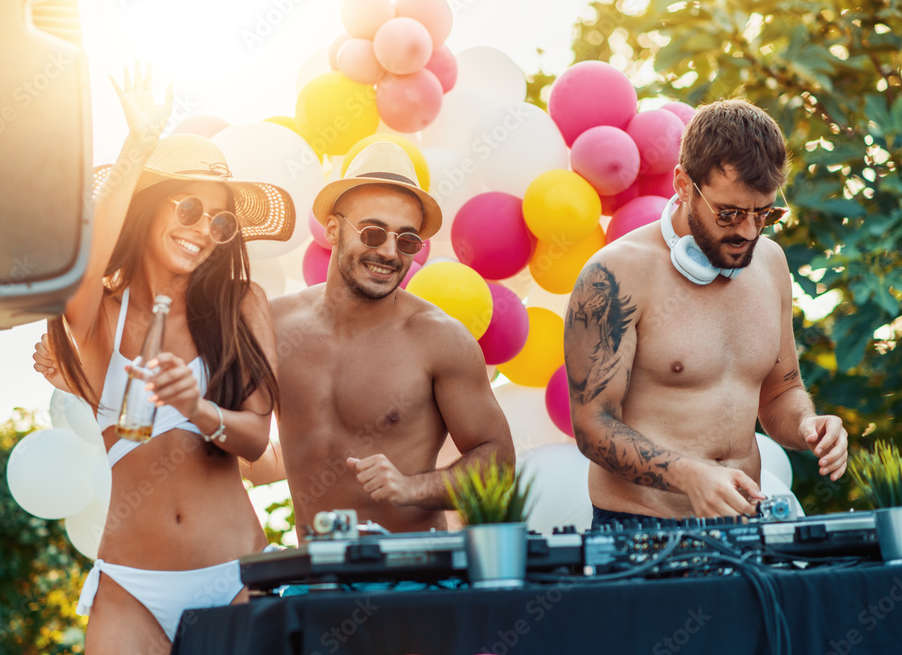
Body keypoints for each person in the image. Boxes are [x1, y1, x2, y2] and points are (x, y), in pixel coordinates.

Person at [40, 64, 293, 653]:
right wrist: (138, 146)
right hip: (130, 584)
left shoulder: (243, 305)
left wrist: (197, 406)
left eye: (219, 220)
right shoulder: (96, 312)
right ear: (149, 208)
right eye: (187, 210)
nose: (203, 229)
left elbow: (256, 439)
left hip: (235, 575)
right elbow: (81, 260)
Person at [563, 99, 848, 527]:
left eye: (763, 214)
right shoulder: (615, 274)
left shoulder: (770, 264)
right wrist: (687, 475)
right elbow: (592, 425)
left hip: (743, 523)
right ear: (682, 184)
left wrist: (810, 425)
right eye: (729, 213)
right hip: (640, 528)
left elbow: (779, 393)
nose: (747, 232)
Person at [271, 141, 515, 537]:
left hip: (416, 577)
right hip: (313, 578)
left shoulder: (440, 339)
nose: (388, 252)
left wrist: (412, 487)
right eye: (372, 232)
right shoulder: (274, 324)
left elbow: (498, 463)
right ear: (333, 229)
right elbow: (242, 435)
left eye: (406, 241)